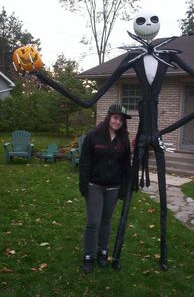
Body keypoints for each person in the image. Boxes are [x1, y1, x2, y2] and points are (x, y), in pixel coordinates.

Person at [79, 104, 132, 274]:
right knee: (93, 222)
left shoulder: (123, 141)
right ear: (109, 117)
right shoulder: (93, 136)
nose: (118, 122)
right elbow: (85, 161)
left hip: (113, 188)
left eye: (121, 120)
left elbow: (126, 167)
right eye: (116, 117)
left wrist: (124, 189)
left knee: (106, 222)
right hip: (95, 186)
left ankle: (103, 251)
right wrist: (84, 184)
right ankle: (89, 255)